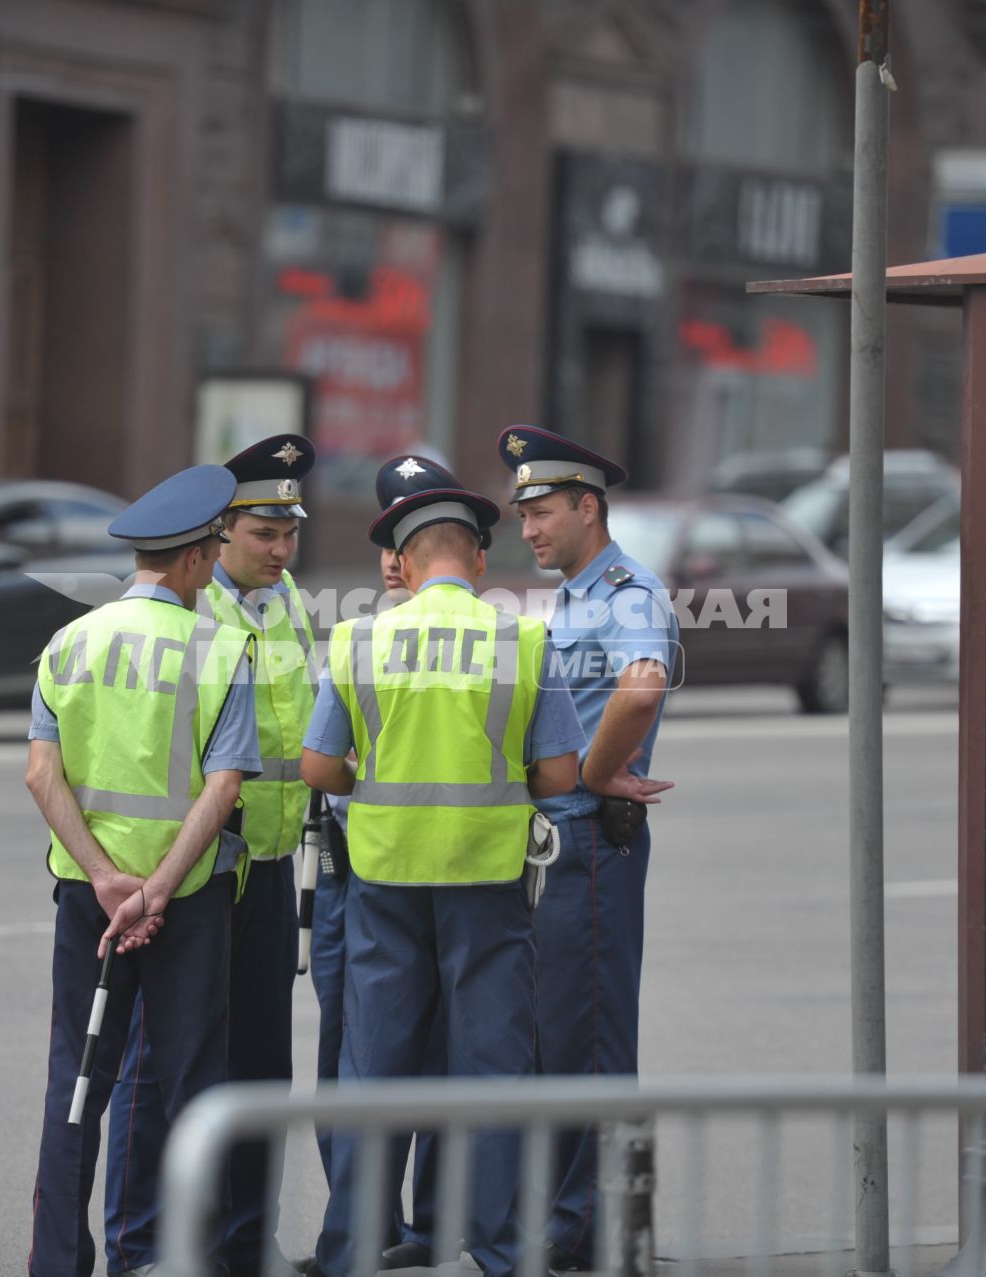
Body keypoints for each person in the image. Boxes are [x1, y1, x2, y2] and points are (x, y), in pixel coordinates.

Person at [302, 466, 586, 1277]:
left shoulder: (359, 636)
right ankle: (496, 1249)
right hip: (489, 883)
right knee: (493, 1067)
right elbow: (561, 775)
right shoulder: (523, 638)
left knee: (372, 1068)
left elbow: (319, 766)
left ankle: (351, 1246)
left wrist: (375, 787)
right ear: (478, 562)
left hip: (384, 882)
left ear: (403, 559)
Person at [25, 464, 262, 1277]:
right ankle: (191, 1260)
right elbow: (224, 784)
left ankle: (57, 1261)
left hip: (88, 902)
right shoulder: (223, 648)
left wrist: (102, 876)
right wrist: (158, 885)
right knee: (194, 1086)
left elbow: (40, 775)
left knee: (77, 1080)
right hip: (185, 905)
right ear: (198, 558)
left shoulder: (69, 642)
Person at [103, 435, 319, 1277]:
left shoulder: (292, 600)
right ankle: (152, 1248)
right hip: (195, 872)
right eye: (264, 533)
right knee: (171, 1063)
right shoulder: (190, 607)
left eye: (289, 532)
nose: (281, 549)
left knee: (264, 1063)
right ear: (216, 534)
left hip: (266, 866)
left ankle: (244, 1245)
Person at [496, 425, 677, 1272]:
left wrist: (602, 774)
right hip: (555, 843)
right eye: (522, 513)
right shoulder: (573, 595)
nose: (528, 527)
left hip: (590, 842)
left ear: (588, 506)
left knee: (591, 1040)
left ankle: (597, 1230)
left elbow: (642, 685)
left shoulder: (627, 591)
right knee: (554, 1035)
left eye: (541, 511)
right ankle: (569, 1222)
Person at [309, 456, 466, 1273]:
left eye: (405, 532)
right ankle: (361, 1226)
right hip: (351, 868)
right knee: (352, 1056)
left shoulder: (475, 636)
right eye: (386, 533)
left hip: (429, 873)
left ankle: (431, 1228)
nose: (390, 556)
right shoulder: (359, 633)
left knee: (433, 1050)